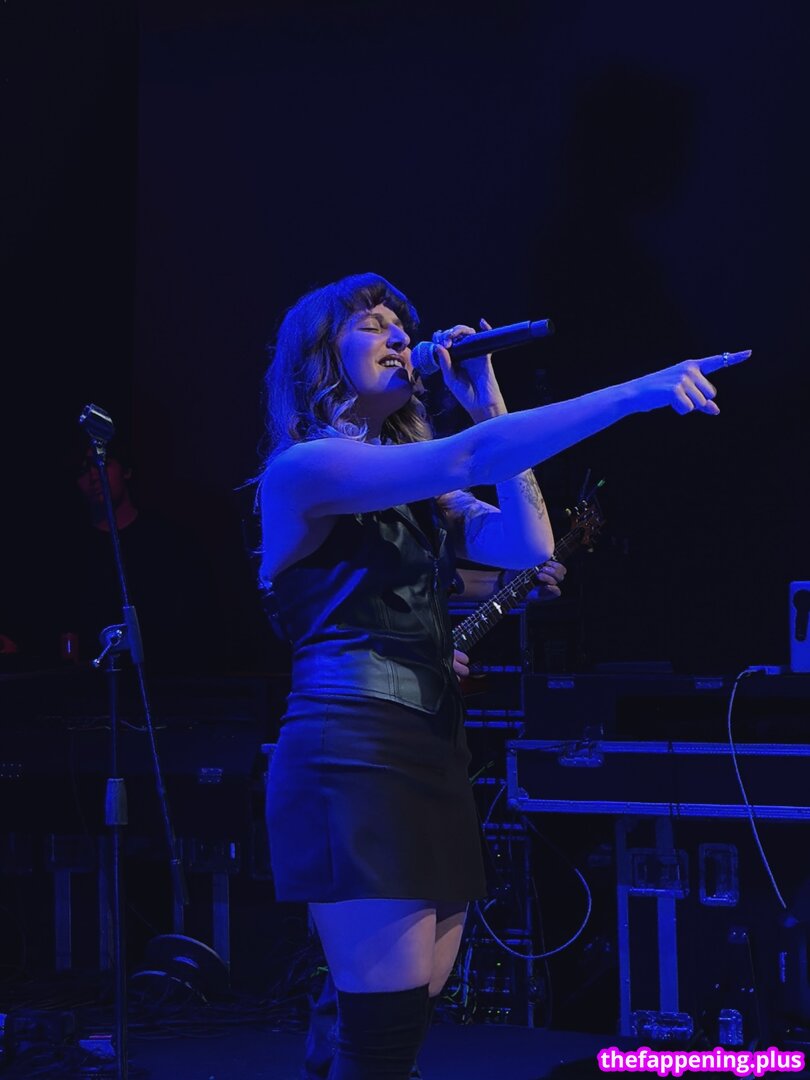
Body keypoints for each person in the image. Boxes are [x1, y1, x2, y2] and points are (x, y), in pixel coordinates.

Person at [258, 272, 748, 1080]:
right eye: (371, 325)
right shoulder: (304, 469)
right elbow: (470, 455)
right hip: (350, 748)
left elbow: (529, 547)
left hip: (429, 745)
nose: (398, 337)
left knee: (399, 1020)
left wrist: (488, 401)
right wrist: (638, 392)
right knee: (380, 1033)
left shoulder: (423, 491)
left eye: (400, 326)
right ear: (318, 356)